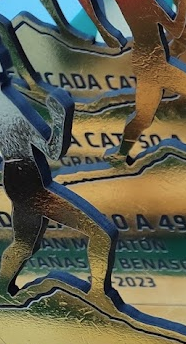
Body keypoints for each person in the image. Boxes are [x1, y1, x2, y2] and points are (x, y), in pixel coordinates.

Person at [0, 48, 116, 293]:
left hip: (18, 180)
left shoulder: (7, 100)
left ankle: (2, 290)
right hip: (30, 184)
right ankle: (99, 296)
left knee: (24, 244)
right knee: (101, 235)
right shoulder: (9, 107)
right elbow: (53, 150)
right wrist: (61, 115)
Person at [76, 0, 186, 164]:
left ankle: (120, 155)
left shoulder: (129, 4)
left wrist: (101, 25)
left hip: (143, 62)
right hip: (156, 65)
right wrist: (184, 4)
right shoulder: (148, 4)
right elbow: (176, 30)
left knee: (143, 118)